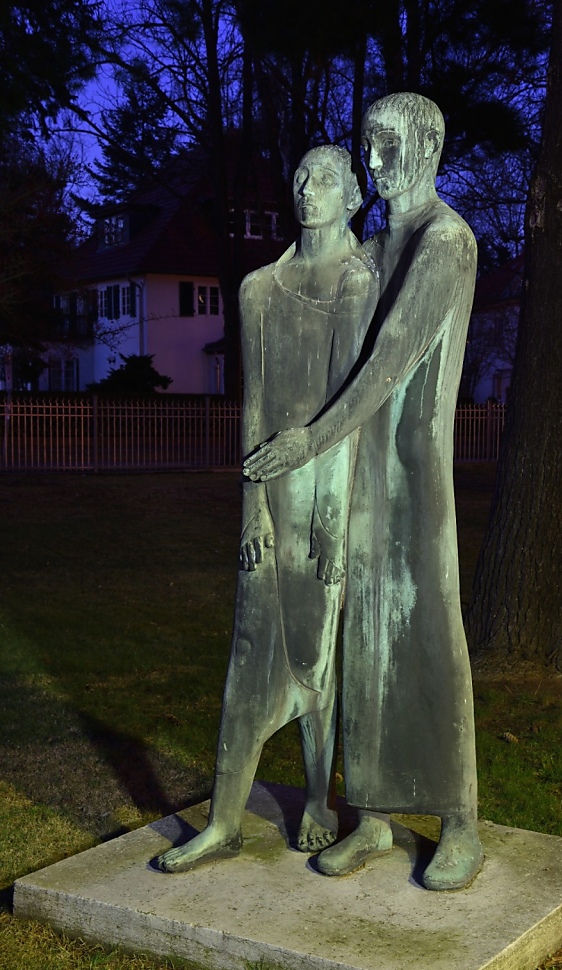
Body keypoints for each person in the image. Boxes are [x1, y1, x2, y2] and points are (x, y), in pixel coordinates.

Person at [244, 93, 483, 891]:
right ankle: (374, 814)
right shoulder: (373, 247)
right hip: (358, 471)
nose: (374, 161)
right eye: (368, 145)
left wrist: (309, 438)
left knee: (429, 633)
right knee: (365, 641)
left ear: (428, 148)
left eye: (388, 145)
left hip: (415, 472)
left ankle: (460, 820)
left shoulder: (446, 243)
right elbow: (320, 325)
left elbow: (386, 360)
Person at [158, 146, 378, 872]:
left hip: (327, 488)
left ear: (353, 194)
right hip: (271, 492)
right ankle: (224, 819)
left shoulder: (357, 280)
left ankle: (318, 797)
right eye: (301, 180)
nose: (308, 190)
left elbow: (349, 409)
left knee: (317, 653)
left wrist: (331, 514)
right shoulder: (259, 288)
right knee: (249, 651)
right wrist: (252, 508)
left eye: (325, 180)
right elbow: (253, 405)